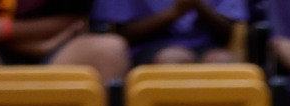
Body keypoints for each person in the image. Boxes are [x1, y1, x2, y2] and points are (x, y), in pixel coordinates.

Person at [0, 0, 130, 83]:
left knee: (109, 49)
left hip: (62, 54)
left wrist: (3, 30)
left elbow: (72, 21)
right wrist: (40, 46)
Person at [95, 0, 246, 65]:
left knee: (223, 61)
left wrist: (199, 7)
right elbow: (124, 35)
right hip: (147, 48)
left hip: (207, 46)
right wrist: (174, 13)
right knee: (174, 58)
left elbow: (227, 34)